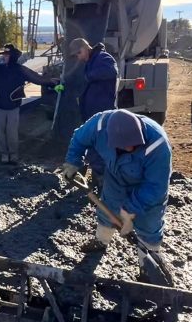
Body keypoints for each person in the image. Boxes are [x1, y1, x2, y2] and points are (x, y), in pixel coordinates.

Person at [61, 110, 173, 273]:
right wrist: (72, 162)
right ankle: (101, 241)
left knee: (149, 222)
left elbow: (156, 187)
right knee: (108, 208)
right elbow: (79, 139)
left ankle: (150, 262)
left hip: (145, 184)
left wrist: (129, 212)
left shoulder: (158, 145)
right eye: (125, 145)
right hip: (116, 177)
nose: (130, 147)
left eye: (134, 144)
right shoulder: (98, 126)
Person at [0, 44, 58, 164]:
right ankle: (4, 154)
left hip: (13, 107)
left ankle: (13, 154)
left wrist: (51, 82)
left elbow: (36, 78)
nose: (4, 57)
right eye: (4, 55)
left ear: (12, 56)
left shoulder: (20, 69)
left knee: (11, 132)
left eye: (7, 55)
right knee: (0, 132)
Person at [69, 38, 120, 181]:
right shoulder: (91, 61)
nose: (78, 58)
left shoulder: (103, 58)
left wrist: (88, 76)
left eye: (78, 54)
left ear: (85, 48)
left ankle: (102, 181)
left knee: (100, 148)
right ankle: (97, 178)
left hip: (102, 114)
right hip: (93, 114)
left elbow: (112, 71)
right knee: (93, 146)